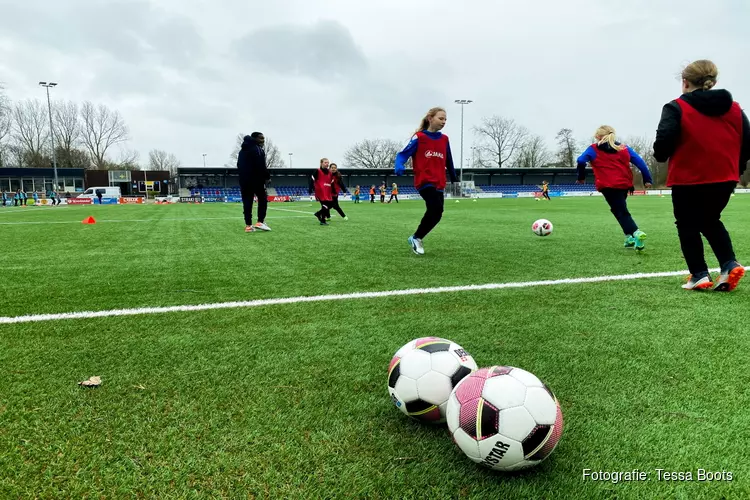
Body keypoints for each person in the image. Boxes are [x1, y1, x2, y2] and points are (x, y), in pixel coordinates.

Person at [653, 59, 750, 291]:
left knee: (686, 224)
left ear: (685, 82)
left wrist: (661, 154)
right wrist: (736, 169)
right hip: (725, 178)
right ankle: (728, 264)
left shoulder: (676, 107)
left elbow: (662, 145)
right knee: (710, 220)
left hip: (688, 178)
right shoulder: (735, 108)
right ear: (713, 81)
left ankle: (699, 274)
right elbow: (747, 143)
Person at [576, 125, 653, 251]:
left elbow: (580, 161)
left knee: (621, 211)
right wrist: (647, 179)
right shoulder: (624, 148)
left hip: (608, 186)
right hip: (624, 185)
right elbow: (640, 163)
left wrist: (581, 177)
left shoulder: (593, 149)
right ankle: (629, 237)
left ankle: (636, 233)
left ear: (597, 136)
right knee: (619, 209)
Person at [395, 106, 458, 255]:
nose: (444, 122)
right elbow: (403, 154)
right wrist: (399, 164)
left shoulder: (444, 139)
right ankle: (416, 239)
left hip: (439, 182)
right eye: (440, 118)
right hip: (424, 181)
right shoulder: (419, 137)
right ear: (430, 119)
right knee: (435, 207)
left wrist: (454, 177)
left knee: (438, 213)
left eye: (445, 119)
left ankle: (416, 237)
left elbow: (448, 159)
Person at [237, 132, 271, 232]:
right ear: (255, 138)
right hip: (256, 180)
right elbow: (261, 165)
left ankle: (248, 226)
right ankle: (260, 221)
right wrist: (267, 177)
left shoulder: (242, 150)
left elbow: (239, 164)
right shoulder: (257, 149)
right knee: (263, 199)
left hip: (244, 180)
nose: (263, 141)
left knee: (247, 202)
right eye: (261, 138)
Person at [309, 158, 333, 225]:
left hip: (327, 192)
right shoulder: (318, 171)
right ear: (321, 163)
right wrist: (310, 189)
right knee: (325, 205)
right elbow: (311, 180)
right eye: (325, 162)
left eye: (328, 163)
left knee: (328, 205)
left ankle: (318, 214)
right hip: (320, 191)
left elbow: (331, 182)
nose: (327, 164)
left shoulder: (329, 173)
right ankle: (323, 220)